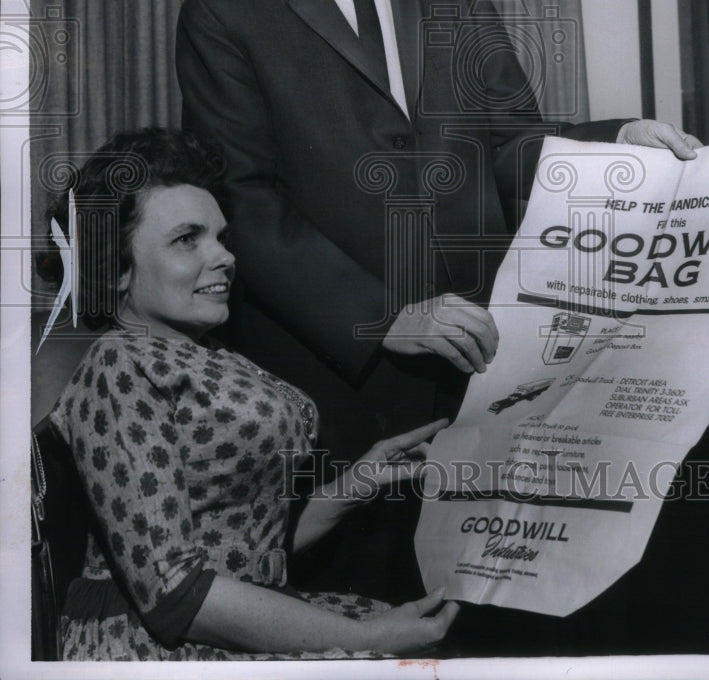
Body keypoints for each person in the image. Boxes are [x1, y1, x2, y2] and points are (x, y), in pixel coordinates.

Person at [175, 0, 700, 596]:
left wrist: (616, 143)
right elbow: (244, 199)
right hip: (332, 396)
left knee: (479, 616)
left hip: (482, 381)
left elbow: (514, 143)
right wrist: (386, 319)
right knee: (346, 617)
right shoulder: (224, 15)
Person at [41, 128, 458, 661]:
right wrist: (367, 639)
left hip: (220, 614)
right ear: (116, 268)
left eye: (221, 237)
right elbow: (175, 591)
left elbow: (248, 550)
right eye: (187, 239)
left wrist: (356, 485)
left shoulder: (207, 351)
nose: (224, 257)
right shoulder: (119, 363)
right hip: (151, 648)